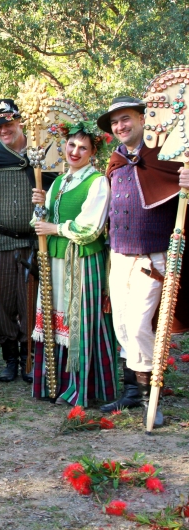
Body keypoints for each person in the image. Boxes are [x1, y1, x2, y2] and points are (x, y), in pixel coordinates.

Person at [98, 96, 189, 425]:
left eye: (126, 119)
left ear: (142, 119)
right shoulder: (116, 161)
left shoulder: (169, 158)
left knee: (139, 324)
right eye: (115, 123)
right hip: (119, 253)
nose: (120, 127)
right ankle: (132, 393)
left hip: (153, 256)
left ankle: (152, 397)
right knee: (121, 322)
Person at [30, 122, 117, 406]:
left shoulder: (98, 182)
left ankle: (82, 389)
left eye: (83, 147)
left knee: (78, 321)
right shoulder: (58, 181)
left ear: (93, 152)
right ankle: (53, 384)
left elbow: (90, 227)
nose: (75, 151)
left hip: (81, 260)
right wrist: (40, 206)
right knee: (54, 319)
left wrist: (53, 229)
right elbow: (40, 223)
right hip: (54, 259)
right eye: (71, 145)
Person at [0, 99, 57, 383]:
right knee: (5, 301)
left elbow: (60, 188)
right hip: (1, 240)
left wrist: (47, 198)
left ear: (20, 122)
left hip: (34, 241)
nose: (3, 130)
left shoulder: (43, 154)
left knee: (30, 301)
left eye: (8, 124)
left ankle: (28, 358)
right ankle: (10, 359)